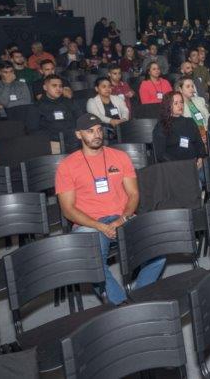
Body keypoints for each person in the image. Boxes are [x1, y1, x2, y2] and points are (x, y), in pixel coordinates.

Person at [56, 114, 165, 305]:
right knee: (94, 262)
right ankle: (122, 305)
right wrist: (100, 226)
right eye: (90, 131)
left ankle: (138, 297)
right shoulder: (67, 166)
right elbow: (67, 209)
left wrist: (122, 218)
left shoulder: (119, 157)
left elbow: (133, 194)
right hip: (89, 223)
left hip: (122, 217)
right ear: (79, 135)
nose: (97, 134)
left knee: (158, 251)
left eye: (99, 130)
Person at [26, 74, 83, 154]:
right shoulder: (37, 107)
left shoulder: (69, 102)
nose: (58, 89)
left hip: (74, 139)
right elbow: (33, 130)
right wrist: (49, 141)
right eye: (54, 86)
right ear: (45, 88)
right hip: (52, 143)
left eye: (60, 86)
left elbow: (81, 119)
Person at [153, 92, 206, 167]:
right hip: (175, 167)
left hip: (195, 164)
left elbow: (199, 144)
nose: (180, 105)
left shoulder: (190, 121)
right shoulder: (162, 126)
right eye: (176, 103)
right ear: (168, 106)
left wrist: (200, 157)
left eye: (181, 102)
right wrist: (179, 165)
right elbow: (160, 154)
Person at [177, 76, 210, 151]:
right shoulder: (178, 105)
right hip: (191, 137)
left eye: (192, 86)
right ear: (180, 89)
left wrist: (206, 133)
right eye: (188, 86)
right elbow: (182, 127)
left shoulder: (200, 100)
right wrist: (198, 136)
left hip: (206, 133)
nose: (191, 89)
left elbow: (208, 117)